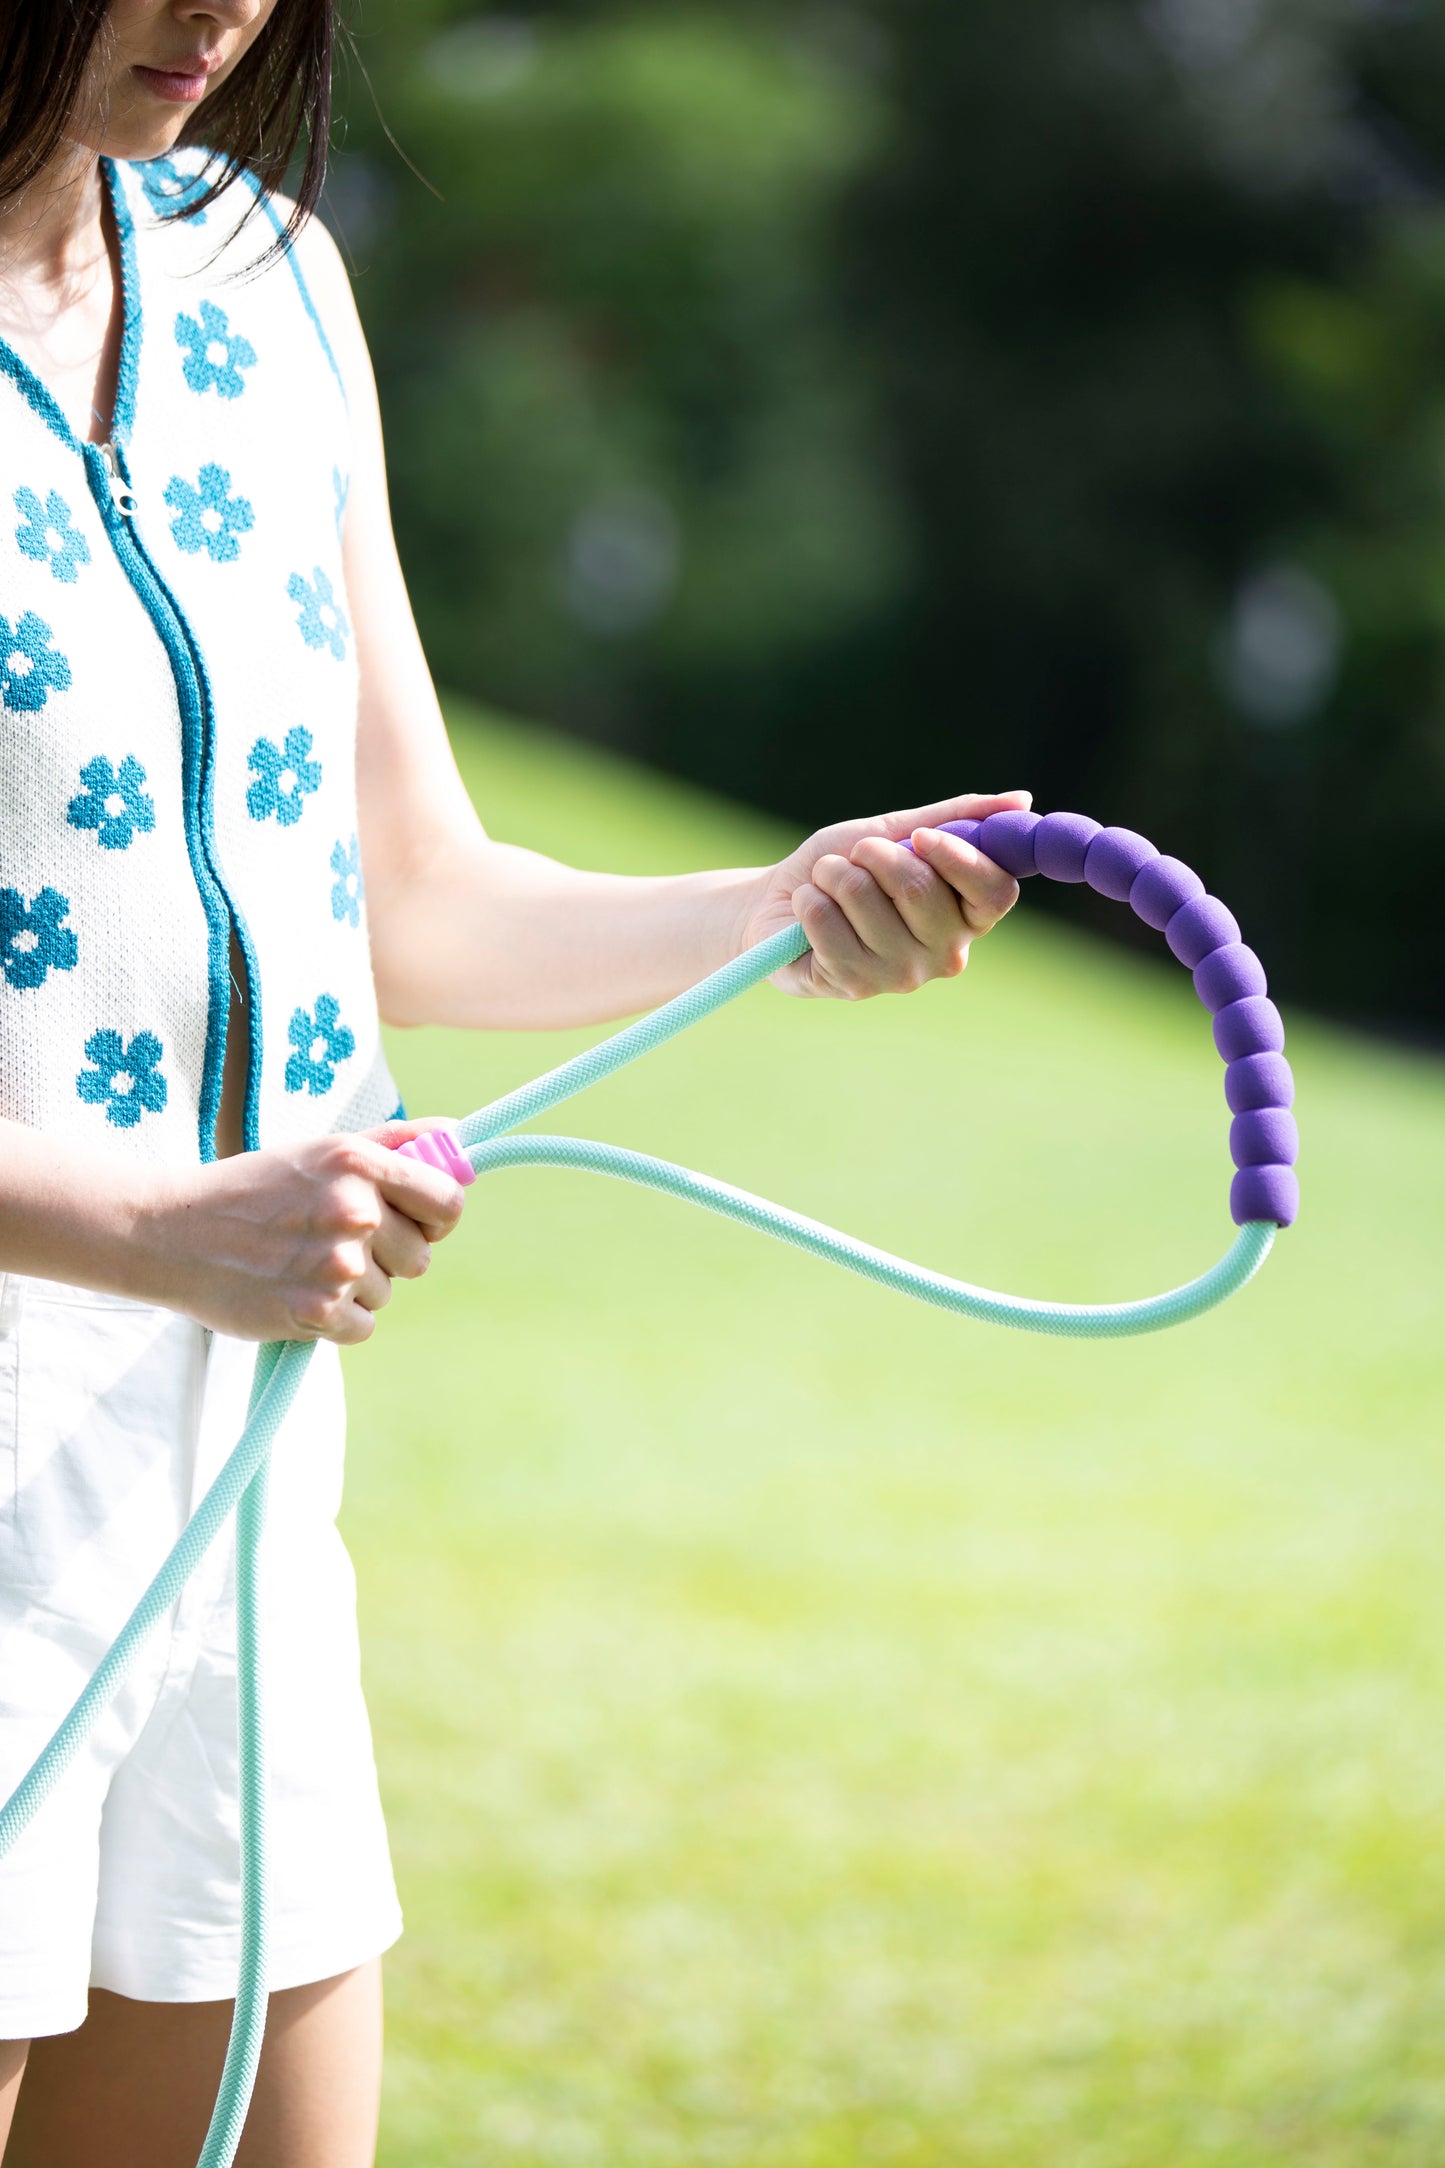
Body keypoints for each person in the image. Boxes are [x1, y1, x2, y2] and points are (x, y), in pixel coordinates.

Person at [0, 2, 1028, 2162]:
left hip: (235, 1469)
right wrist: (145, 1227)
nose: (219, 9)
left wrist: (781, 906)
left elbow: (410, 888)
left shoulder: (266, 273)